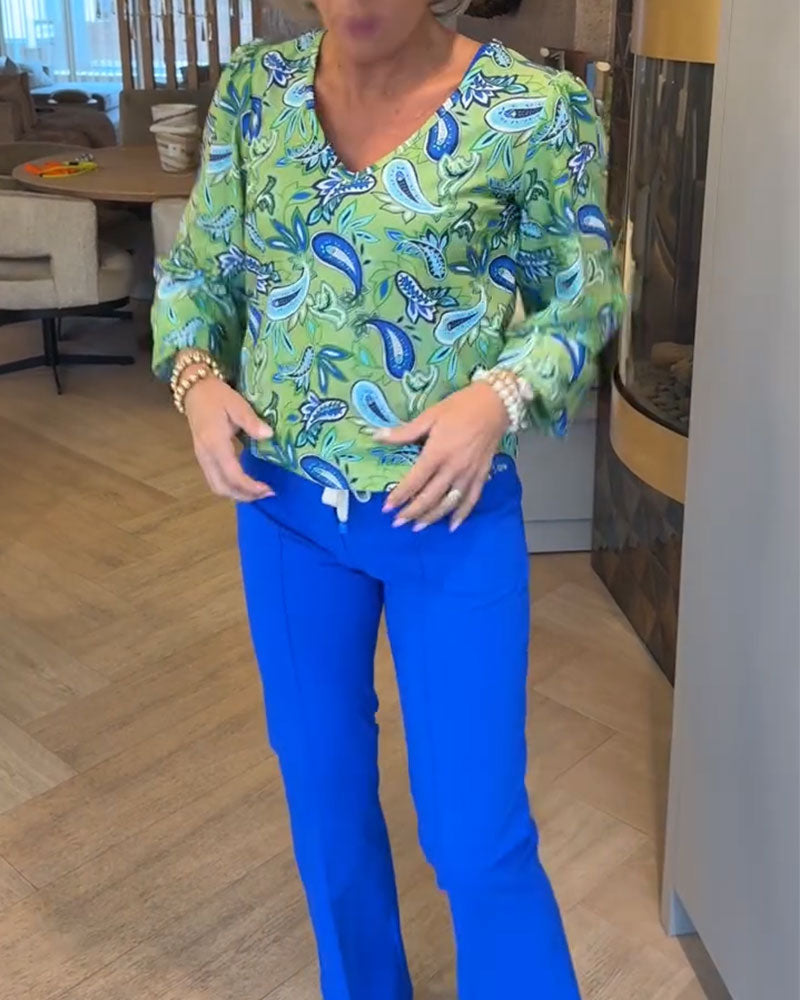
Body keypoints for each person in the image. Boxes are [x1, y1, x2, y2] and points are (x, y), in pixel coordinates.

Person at [152, 1, 625, 997]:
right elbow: (200, 272)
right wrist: (196, 380)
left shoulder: (535, 108)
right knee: (324, 806)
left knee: (475, 838)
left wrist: (498, 397)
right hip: (282, 509)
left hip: (446, 519)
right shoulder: (255, 89)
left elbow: (581, 297)